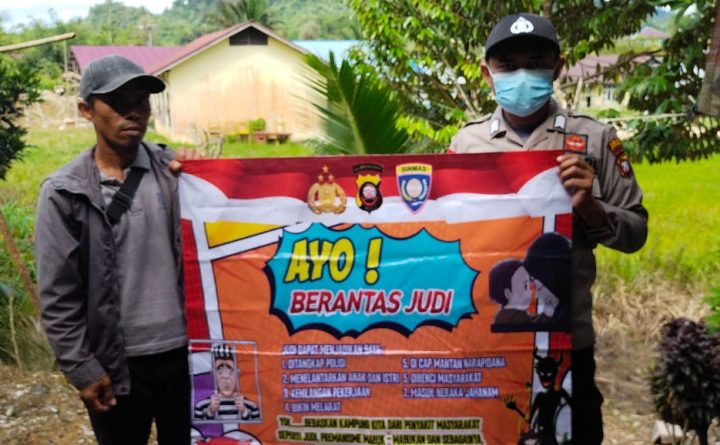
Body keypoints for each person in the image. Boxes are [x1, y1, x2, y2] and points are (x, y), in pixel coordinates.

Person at [449, 12, 648, 444]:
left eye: (536, 63)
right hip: (488, 337)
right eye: (508, 65)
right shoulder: (466, 145)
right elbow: (449, 236)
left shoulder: (594, 140)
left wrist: (590, 207)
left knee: (573, 432)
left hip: (567, 339)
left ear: (558, 68)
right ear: (486, 73)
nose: (522, 75)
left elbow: (636, 232)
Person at [35, 54, 201, 445]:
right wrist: (82, 368)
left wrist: (205, 177)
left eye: (140, 101)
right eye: (117, 102)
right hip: (116, 365)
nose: (133, 112)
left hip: (188, 357)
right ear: (86, 110)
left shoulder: (176, 175)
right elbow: (58, 295)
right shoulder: (65, 193)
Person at [194, 345, 260, 421]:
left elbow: (256, 426)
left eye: (230, 370)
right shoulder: (200, 406)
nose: (225, 376)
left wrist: (243, 411)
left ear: (237, 373)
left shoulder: (252, 406)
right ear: (213, 373)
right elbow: (198, 426)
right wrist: (211, 411)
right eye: (220, 371)